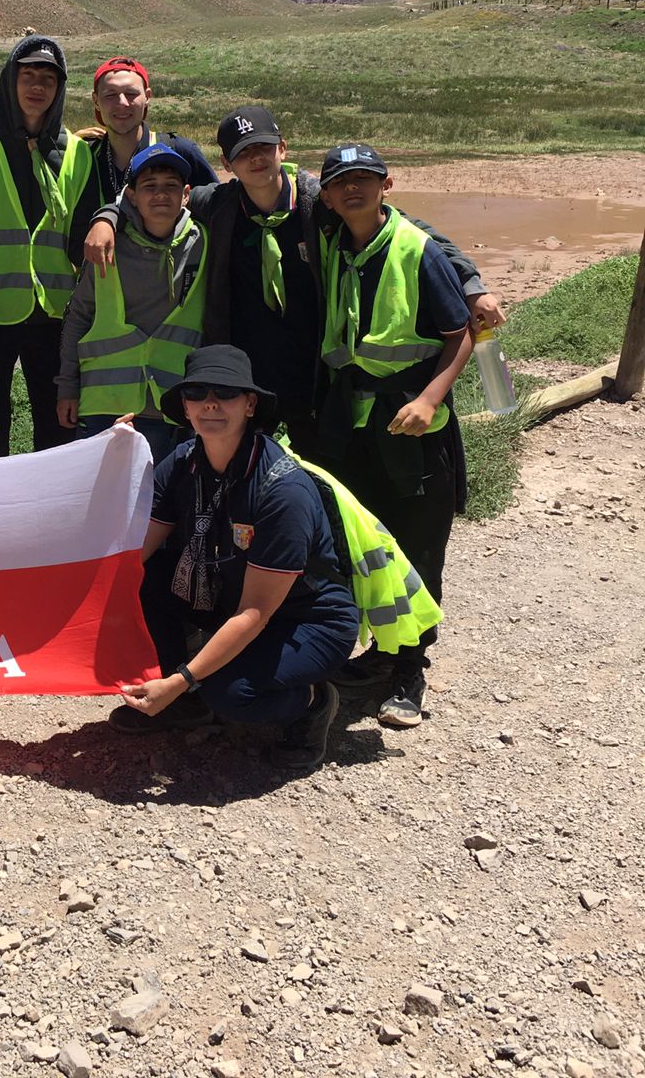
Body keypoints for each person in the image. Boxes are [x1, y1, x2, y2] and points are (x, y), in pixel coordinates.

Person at [86, 104, 501, 458]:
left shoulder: (318, 200)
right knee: (242, 472)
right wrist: (107, 217)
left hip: (314, 371)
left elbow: (406, 225)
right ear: (227, 165)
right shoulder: (219, 203)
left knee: (320, 473)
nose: (256, 158)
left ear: (282, 148)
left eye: (264, 147)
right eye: (243, 153)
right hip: (247, 371)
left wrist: (471, 284)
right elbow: (150, 197)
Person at [113, 345, 359, 774]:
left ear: (249, 405)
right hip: (227, 592)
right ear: (185, 407)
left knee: (227, 693)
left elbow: (254, 612)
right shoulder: (185, 461)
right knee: (144, 577)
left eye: (226, 392)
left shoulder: (282, 491)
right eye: (198, 392)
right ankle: (183, 703)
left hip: (304, 619)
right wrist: (113, 461)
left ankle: (312, 703)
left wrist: (183, 679)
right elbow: (138, 551)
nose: (211, 402)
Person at [315, 143, 473, 729]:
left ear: (387, 184)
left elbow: (459, 336)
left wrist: (430, 399)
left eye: (364, 179)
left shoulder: (417, 249)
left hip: (411, 421)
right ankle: (380, 653)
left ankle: (410, 671)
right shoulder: (334, 246)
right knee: (368, 543)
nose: (352, 190)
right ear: (327, 196)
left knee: (420, 544)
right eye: (341, 183)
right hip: (352, 424)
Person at [0, 36, 101, 456]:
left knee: (58, 429)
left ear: (60, 89)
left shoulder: (78, 156)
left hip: (55, 319)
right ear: (9, 83)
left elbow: (81, 249)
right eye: (27, 75)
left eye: (48, 79)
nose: (37, 86)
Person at [57, 143, 206, 465]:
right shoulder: (106, 246)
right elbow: (78, 317)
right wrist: (67, 387)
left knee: (162, 508)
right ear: (131, 196)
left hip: (173, 407)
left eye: (171, 187)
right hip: (103, 406)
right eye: (149, 187)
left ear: (186, 195)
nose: (160, 195)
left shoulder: (205, 245)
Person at [84, 57, 216, 201]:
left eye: (131, 94)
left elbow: (218, 208)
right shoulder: (83, 157)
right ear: (96, 101)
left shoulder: (180, 152)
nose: (122, 103)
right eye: (110, 95)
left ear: (147, 97)